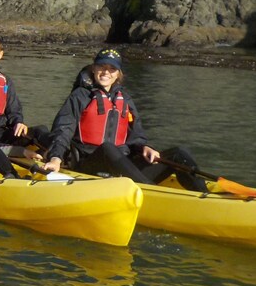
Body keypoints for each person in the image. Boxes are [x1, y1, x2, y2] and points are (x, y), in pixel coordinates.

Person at [40, 48, 207, 191]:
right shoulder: (80, 96)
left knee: (178, 154)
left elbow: (136, 134)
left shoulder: (124, 99)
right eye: (101, 67)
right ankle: (146, 192)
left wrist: (144, 146)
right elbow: (63, 129)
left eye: (112, 69)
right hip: (89, 165)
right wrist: (56, 158)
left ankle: (206, 196)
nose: (106, 72)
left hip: (122, 165)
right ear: (93, 68)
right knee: (107, 148)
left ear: (118, 74)